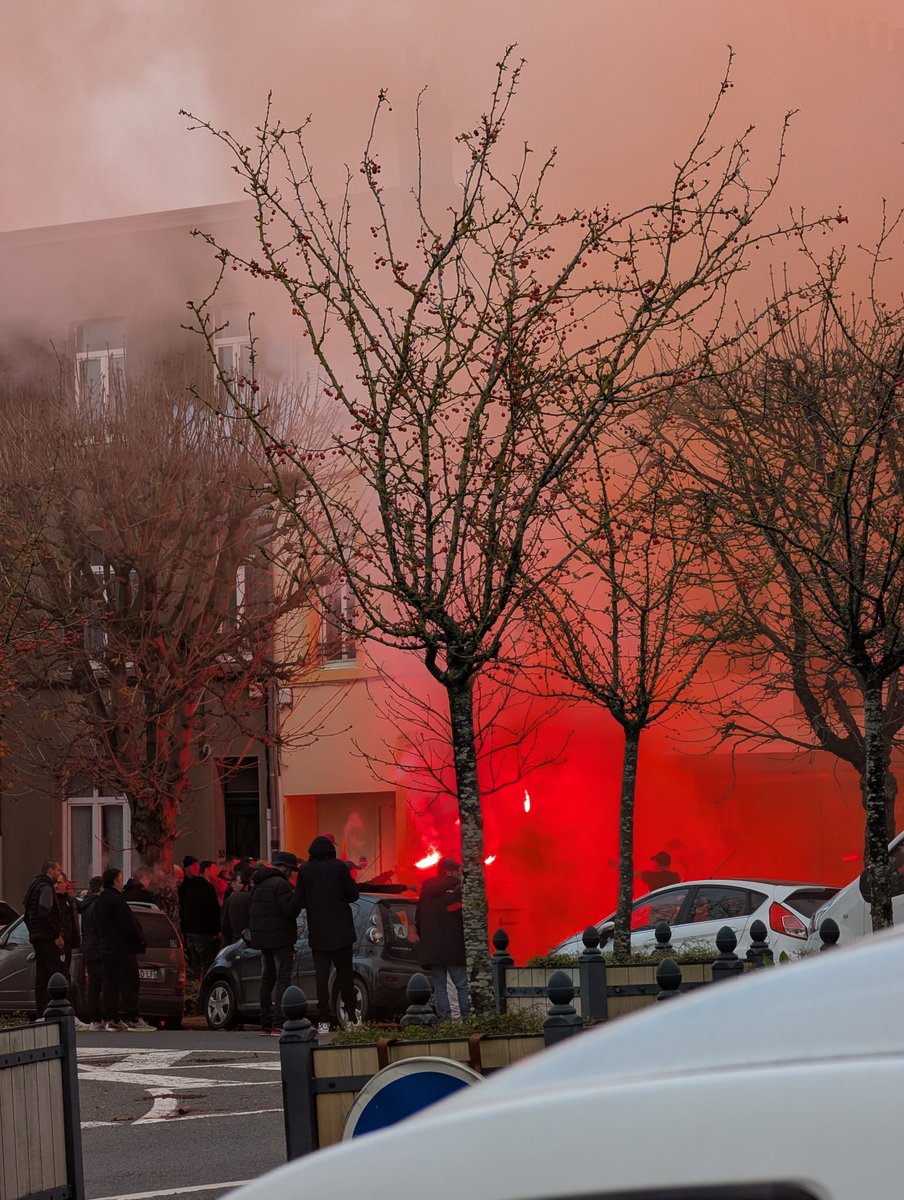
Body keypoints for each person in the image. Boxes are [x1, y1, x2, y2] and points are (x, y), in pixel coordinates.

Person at [295, 835, 359, 1029]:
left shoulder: (305, 870)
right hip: (342, 932)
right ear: (331, 851)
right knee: (345, 975)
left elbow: (299, 900)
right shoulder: (339, 867)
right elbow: (353, 894)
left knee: (321, 978)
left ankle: (323, 1019)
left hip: (319, 934)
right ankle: (352, 1018)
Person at [93, 867, 154, 1032]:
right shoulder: (117, 900)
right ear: (115, 881)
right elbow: (128, 924)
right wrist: (139, 940)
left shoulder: (100, 901)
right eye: (120, 879)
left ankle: (112, 1017)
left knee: (110, 985)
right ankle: (133, 1016)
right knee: (129, 982)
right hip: (122, 949)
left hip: (107, 949)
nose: (122, 882)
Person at [249, 852, 301, 1036]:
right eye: (292, 870)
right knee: (283, 978)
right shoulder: (281, 885)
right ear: (285, 868)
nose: (292, 873)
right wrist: (298, 899)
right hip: (281, 937)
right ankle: (279, 1022)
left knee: (267, 978)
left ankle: (265, 1023)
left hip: (263, 939)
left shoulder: (259, 884)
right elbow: (290, 911)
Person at [416, 857, 470, 1022]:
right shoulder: (459, 889)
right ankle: (468, 1020)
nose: (459, 875)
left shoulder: (426, 890)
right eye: (457, 871)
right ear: (450, 871)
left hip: (432, 949)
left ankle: (444, 1020)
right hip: (454, 947)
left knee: (440, 987)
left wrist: (425, 939)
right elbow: (465, 916)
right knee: (461, 985)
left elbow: (418, 918)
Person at [23, 859, 65, 1017]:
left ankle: (42, 1013)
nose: (59, 874)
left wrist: (32, 932)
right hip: (47, 938)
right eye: (58, 871)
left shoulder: (33, 886)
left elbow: (27, 913)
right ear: (50, 870)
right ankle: (61, 1012)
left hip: (37, 937)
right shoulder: (46, 888)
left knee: (41, 978)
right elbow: (45, 912)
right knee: (57, 973)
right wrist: (56, 934)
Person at [180, 859, 221, 978]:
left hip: (190, 932)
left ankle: (194, 988)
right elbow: (213, 911)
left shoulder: (189, 887)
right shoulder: (207, 888)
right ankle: (203, 989)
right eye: (214, 870)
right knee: (206, 963)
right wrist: (216, 930)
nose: (216, 873)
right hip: (204, 933)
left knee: (195, 964)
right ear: (207, 870)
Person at [79, 876, 105, 1031]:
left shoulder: (86, 905)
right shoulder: (97, 906)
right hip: (98, 949)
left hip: (89, 948)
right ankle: (98, 1017)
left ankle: (95, 1018)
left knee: (93, 985)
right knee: (99, 985)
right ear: (101, 888)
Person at [221, 868, 253, 946]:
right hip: (246, 938)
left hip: (235, 939)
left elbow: (224, 923)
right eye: (239, 883)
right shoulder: (252, 897)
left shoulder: (230, 899)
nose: (241, 885)